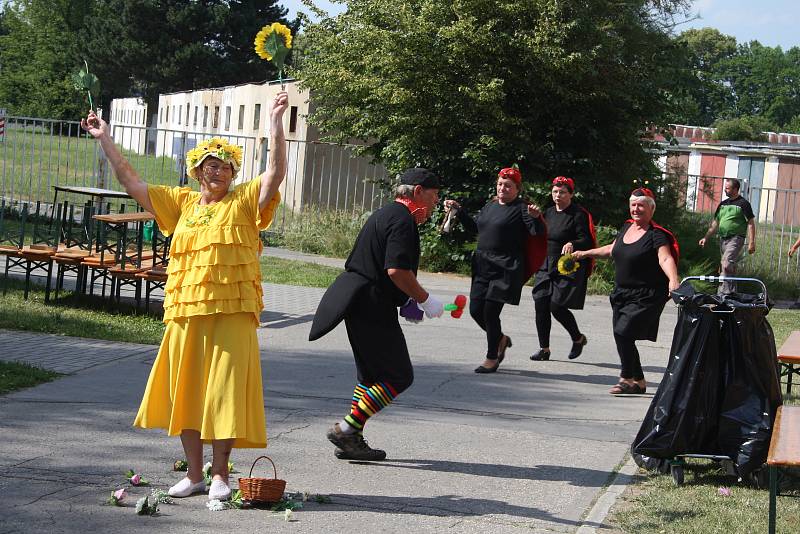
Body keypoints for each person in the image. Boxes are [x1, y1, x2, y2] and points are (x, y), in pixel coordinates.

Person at [80, 92, 290, 500]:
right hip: (185, 311)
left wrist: (275, 121)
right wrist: (104, 138)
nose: (217, 170)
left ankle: (221, 477)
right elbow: (131, 180)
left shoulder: (245, 201)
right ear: (196, 171)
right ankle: (195, 475)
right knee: (189, 392)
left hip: (233, 312)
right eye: (209, 165)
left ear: (233, 171)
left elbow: (275, 173)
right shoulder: (181, 203)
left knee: (225, 393)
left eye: (225, 165)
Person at [309, 168, 445, 461]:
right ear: (418, 192)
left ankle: (353, 438)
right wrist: (425, 299)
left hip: (360, 300)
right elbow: (396, 270)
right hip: (371, 303)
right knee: (399, 376)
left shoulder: (386, 213)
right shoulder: (402, 220)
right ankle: (347, 429)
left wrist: (407, 299)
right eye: (433, 197)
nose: (434, 205)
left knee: (371, 376)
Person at [573, 188, 680, 395]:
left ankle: (626, 377)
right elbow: (612, 250)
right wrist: (585, 253)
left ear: (651, 208)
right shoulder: (627, 227)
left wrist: (673, 279)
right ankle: (639, 381)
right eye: (633, 205)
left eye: (641, 205)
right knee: (623, 335)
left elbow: (665, 258)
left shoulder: (656, 234)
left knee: (624, 332)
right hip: (622, 293)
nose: (636, 209)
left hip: (647, 294)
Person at [443, 167, 545, 374]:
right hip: (483, 265)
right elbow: (475, 228)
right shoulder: (490, 206)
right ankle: (500, 339)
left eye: (508, 185)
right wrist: (459, 211)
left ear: (517, 189)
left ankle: (492, 357)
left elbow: (536, 233)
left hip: (506, 268)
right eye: (500, 184)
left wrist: (536, 217)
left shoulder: (522, 208)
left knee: (490, 312)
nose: (502, 188)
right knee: (475, 311)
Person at [530, 176, 594, 361]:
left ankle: (578, 338)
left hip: (566, 265)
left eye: (563, 192)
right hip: (545, 263)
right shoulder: (548, 213)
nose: (558, 195)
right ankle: (544, 349)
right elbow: (538, 234)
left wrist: (573, 243)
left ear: (571, 194)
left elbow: (587, 239)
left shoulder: (578, 214)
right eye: (555, 192)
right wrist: (534, 220)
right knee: (541, 303)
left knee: (556, 306)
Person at [698, 178, 756, 294]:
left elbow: (750, 223)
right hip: (723, 239)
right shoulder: (723, 204)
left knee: (727, 262)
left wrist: (751, 242)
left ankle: (726, 292)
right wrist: (706, 237)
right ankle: (729, 292)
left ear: (735, 189)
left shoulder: (743, 204)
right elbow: (715, 223)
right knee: (725, 266)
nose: (725, 190)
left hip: (736, 238)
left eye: (727, 188)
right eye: (725, 187)